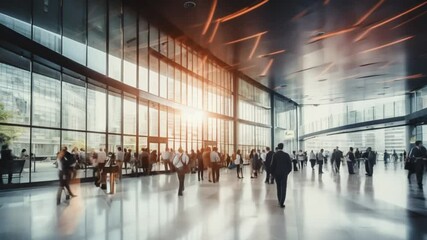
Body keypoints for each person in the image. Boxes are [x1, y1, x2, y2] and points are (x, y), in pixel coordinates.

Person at [270, 143, 292, 208]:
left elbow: (272, 165)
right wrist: (287, 172)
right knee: (283, 187)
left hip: (277, 174)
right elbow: (290, 166)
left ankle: (279, 201)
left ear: (278, 147)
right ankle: (282, 202)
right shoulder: (286, 155)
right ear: (283, 147)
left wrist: (273, 174)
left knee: (278, 187)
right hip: (284, 174)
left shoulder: (275, 155)